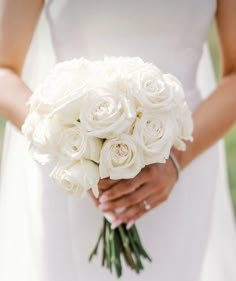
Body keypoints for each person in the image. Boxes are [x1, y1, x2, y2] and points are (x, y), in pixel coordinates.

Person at [0, 0, 236, 280]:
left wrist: (176, 158)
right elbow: (3, 69)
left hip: (182, 161)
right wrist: (66, 142)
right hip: (71, 173)